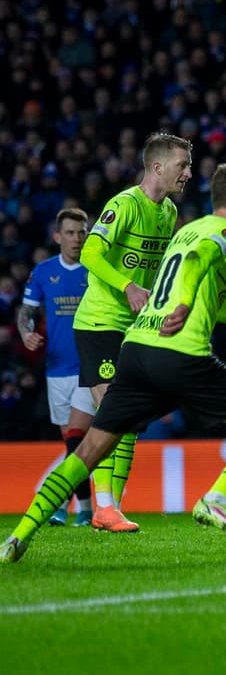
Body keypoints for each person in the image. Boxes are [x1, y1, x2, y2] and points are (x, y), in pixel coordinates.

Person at [2, 160, 226, 563]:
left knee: (90, 450)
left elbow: (215, 300)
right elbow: (196, 263)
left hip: (137, 350)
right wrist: (185, 304)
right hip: (179, 353)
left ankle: (19, 536)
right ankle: (217, 499)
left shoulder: (186, 228)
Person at [71, 132, 190, 532]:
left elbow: (156, 271)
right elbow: (90, 252)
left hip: (136, 326)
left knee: (132, 419)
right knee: (112, 414)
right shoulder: (124, 204)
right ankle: (102, 508)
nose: (188, 173)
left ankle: (111, 508)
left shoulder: (169, 212)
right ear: (157, 166)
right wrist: (127, 286)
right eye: (182, 166)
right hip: (100, 322)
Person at [18, 207, 95, 527]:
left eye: (81, 232)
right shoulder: (43, 272)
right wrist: (25, 332)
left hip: (88, 367)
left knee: (77, 436)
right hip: (56, 369)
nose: (77, 238)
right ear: (57, 237)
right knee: (72, 443)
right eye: (70, 233)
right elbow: (27, 312)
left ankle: (64, 504)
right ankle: (82, 507)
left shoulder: (96, 270)